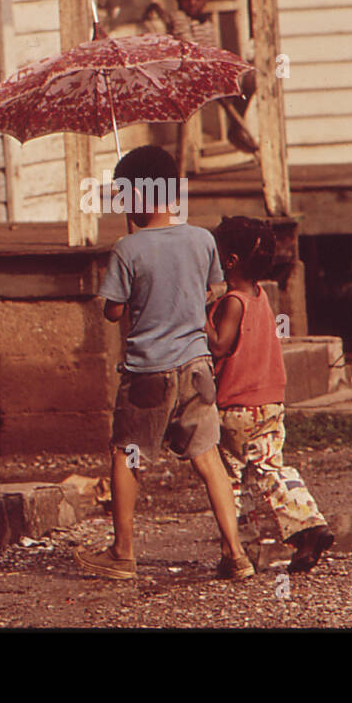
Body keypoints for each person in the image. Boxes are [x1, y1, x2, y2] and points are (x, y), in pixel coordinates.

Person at [74, 145, 255, 580]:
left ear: (134, 198)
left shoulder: (127, 249)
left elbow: (113, 311)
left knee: (126, 454)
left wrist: (133, 276)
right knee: (208, 457)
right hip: (196, 369)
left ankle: (122, 553)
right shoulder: (201, 240)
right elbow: (211, 291)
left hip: (148, 373)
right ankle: (236, 554)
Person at [206, 216, 334, 574]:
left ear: (229, 261)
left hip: (236, 407)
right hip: (270, 402)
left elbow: (220, 346)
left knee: (231, 481)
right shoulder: (259, 297)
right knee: (267, 468)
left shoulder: (232, 301)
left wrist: (197, 317)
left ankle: (240, 551)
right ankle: (306, 523)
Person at [169, 0, 259, 155]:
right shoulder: (180, 18)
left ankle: (235, 127)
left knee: (251, 78)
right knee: (244, 79)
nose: (191, 2)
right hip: (192, 74)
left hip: (209, 72)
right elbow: (189, 48)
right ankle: (236, 128)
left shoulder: (205, 21)